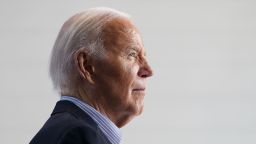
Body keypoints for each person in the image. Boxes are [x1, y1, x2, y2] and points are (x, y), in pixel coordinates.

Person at [30, 7, 153, 144]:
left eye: (144, 56)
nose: (148, 70)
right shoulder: (77, 136)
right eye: (132, 55)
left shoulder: (68, 130)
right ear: (87, 66)